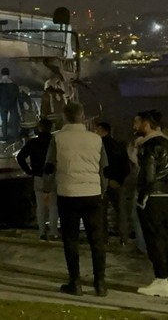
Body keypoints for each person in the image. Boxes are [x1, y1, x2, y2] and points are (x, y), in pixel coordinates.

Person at [44, 102, 108, 297]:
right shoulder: (96, 139)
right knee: (97, 241)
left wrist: (47, 190)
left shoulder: (58, 139)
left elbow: (49, 167)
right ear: (82, 117)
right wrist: (102, 190)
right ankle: (100, 284)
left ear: (65, 117)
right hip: (93, 194)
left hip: (68, 194)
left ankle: (75, 282)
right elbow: (104, 169)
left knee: (71, 240)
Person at [133, 110, 168, 297]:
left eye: (136, 122)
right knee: (166, 237)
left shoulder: (149, 146)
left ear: (146, 124)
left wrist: (142, 196)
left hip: (152, 196)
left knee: (154, 239)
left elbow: (148, 175)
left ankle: (160, 279)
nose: (134, 126)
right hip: (167, 195)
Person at [17, 119, 59, 240]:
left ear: (39, 128)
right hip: (52, 177)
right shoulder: (55, 142)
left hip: (38, 177)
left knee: (40, 206)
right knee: (53, 206)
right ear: (51, 128)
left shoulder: (33, 142)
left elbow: (20, 157)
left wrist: (29, 171)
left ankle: (41, 232)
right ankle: (53, 232)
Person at [96, 122, 131, 246]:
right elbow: (126, 167)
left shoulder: (98, 146)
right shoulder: (120, 145)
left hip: (102, 183)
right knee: (121, 212)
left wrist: (107, 178)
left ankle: (103, 239)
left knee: (101, 213)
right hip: (117, 183)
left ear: (101, 130)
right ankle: (124, 238)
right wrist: (119, 180)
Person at [0, 68, 21, 141]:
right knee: (14, 121)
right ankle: (15, 136)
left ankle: (4, 136)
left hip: (3, 104)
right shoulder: (13, 82)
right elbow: (17, 94)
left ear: (1, 73)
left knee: (4, 121)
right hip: (12, 104)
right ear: (9, 73)